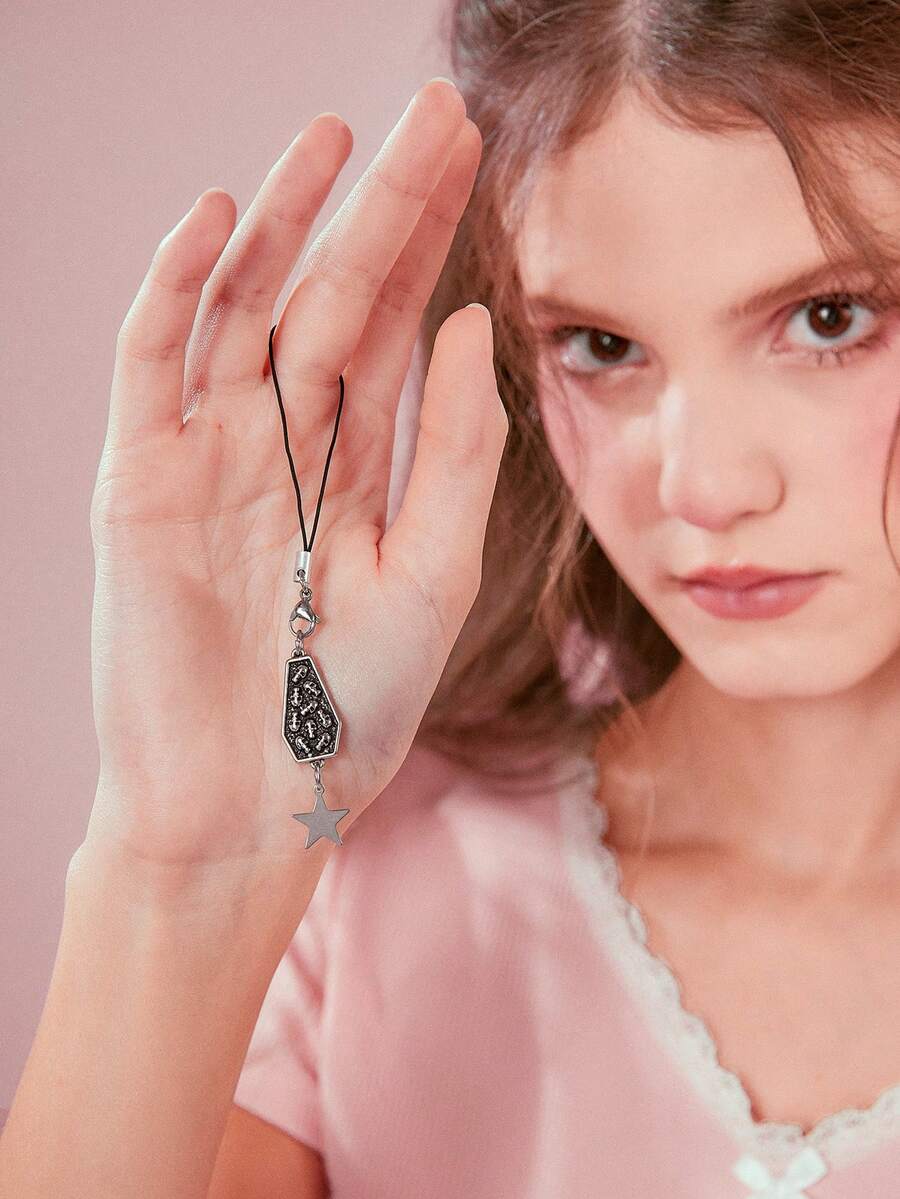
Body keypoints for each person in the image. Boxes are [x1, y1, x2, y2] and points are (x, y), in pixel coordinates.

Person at [2, 1, 900, 1195]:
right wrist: (180, 868)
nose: (701, 484)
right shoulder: (353, 876)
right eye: (601, 346)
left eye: (831, 318)